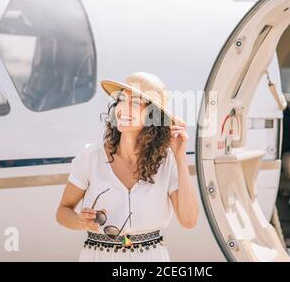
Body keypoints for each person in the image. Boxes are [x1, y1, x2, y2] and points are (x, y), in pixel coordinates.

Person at [56, 71, 199, 261]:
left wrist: (180, 157)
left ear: (152, 115)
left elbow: (189, 221)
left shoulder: (168, 162)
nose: (123, 108)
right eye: (122, 100)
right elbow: (62, 212)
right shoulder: (91, 156)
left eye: (135, 103)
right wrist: (79, 221)